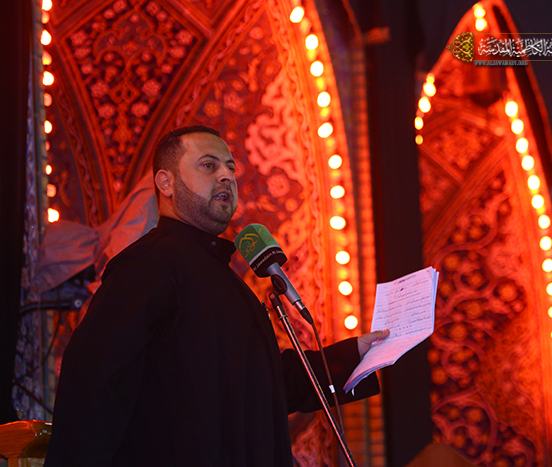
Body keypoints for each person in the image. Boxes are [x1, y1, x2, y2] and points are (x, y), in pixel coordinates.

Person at [44, 125, 389, 467]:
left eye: (230, 168)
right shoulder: (148, 263)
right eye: (209, 165)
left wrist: (356, 355)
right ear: (165, 183)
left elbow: (262, 386)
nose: (226, 176)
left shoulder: (225, 278)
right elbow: (94, 381)